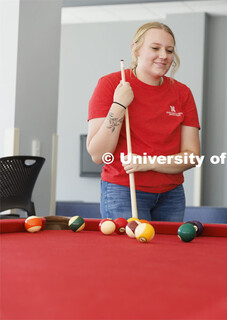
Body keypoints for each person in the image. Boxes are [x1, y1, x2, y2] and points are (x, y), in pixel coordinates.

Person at [87, 22, 200, 222]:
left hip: (171, 194)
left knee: (168, 254)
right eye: (155, 48)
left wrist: (148, 163)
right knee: (128, 254)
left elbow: (191, 157)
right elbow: (98, 155)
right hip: (123, 190)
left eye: (169, 50)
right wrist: (118, 105)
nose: (164, 55)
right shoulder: (110, 84)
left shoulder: (183, 93)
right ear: (136, 49)